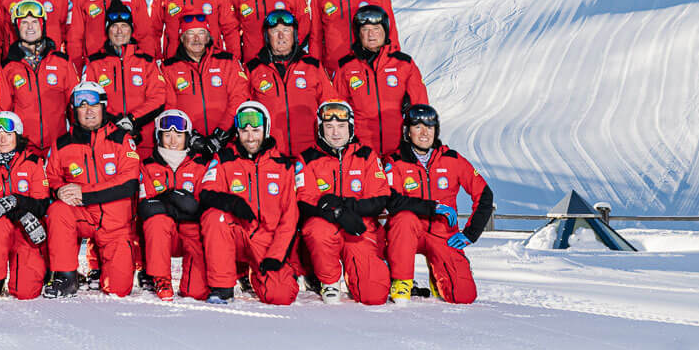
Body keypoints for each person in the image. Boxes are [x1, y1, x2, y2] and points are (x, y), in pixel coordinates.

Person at [384, 103, 490, 304]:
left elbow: (485, 195)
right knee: (404, 218)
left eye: (430, 127)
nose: (424, 133)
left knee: (463, 296)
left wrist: (470, 234)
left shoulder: (452, 159)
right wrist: (432, 207)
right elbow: (391, 200)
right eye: (418, 127)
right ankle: (401, 279)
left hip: (443, 235)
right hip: (407, 232)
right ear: (407, 131)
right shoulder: (395, 161)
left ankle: (438, 271)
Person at [43, 82, 142, 297]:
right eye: (81, 105)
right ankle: (66, 276)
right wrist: (59, 190)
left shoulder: (121, 139)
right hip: (81, 215)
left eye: (93, 105)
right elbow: (50, 177)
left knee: (118, 289)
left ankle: (102, 267)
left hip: (114, 222)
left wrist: (84, 193)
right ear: (74, 110)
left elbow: (129, 183)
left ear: (103, 107)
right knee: (57, 210)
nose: (88, 111)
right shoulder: (62, 144)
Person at [195, 100, 298, 305]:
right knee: (216, 216)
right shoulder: (224, 159)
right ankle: (222, 287)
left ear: (266, 130)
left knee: (281, 296)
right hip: (237, 232)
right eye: (245, 131)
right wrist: (231, 202)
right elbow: (206, 192)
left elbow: (290, 219)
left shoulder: (283, 166)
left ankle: (257, 274)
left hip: (266, 240)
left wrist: (276, 256)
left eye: (256, 130)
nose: (250, 137)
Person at [296, 99, 391, 305]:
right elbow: (304, 199)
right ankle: (329, 280)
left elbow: (380, 197)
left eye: (341, 126)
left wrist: (348, 208)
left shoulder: (366, 156)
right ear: (320, 129)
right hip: (325, 224)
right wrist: (337, 213)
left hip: (359, 226)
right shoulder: (307, 158)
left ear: (351, 127)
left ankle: (370, 271)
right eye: (329, 127)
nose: (335, 133)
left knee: (373, 296)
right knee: (316, 229)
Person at [135, 108, 211, 300]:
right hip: (162, 235)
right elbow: (147, 206)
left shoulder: (201, 166)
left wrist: (167, 201)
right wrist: (180, 201)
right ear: (158, 136)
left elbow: (204, 205)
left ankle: (195, 280)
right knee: (157, 221)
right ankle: (160, 278)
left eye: (179, 135)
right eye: (167, 135)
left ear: (188, 137)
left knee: (196, 292)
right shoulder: (148, 166)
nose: (173, 140)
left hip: (191, 233)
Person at [0, 110, 50, 300]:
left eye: (8, 135)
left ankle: (43, 269)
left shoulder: (34, 163)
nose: (3, 140)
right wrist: (18, 212)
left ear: (18, 135)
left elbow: (41, 204)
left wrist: (16, 201)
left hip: (25, 231)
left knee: (26, 292)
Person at [335, 5, 429, 158]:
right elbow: (338, 108)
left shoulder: (403, 64)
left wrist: (415, 140)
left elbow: (421, 106)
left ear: (385, 31)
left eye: (376, 28)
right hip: (361, 151)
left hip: (398, 148)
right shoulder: (346, 67)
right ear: (358, 33)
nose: (371, 34)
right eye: (365, 29)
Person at [244, 8, 335, 158]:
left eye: (286, 30)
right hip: (270, 156)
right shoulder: (253, 69)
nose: (281, 36)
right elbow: (244, 111)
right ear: (267, 37)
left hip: (310, 155)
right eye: (275, 32)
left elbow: (330, 105)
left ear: (294, 35)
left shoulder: (312, 66)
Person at [78, 3, 167, 151]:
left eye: (124, 26)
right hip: (108, 140)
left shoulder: (146, 61)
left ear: (131, 29)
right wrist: (117, 121)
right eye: (114, 26)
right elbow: (87, 99)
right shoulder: (95, 63)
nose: (119, 31)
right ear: (107, 30)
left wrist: (132, 119)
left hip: (143, 140)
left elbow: (158, 98)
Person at [0, 0, 77, 153]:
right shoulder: (8, 68)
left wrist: (75, 140)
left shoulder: (62, 62)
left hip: (59, 147)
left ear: (42, 25)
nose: (30, 27)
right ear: (17, 28)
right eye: (24, 22)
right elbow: (2, 111)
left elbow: (75, 105)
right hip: (24, 151)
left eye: (34, 22)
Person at [161, 11, 250, 151]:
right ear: (182, 37)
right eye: (190, 33)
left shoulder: (226, 61)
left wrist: (222, 133)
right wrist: (189, 135)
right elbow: (169, 107)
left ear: (208, 37)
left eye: (201, 32)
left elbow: (239, 97)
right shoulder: (169, 67)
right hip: (188, 146)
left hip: (228, 143)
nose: (196, 39)